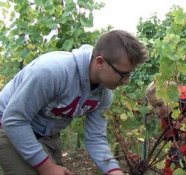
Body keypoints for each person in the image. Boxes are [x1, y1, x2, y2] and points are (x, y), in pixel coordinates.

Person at [0, 30, 148, 175]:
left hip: (46, 134)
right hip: (9, 127)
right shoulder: (51, 71)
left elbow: (95, 138)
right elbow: (13, 120)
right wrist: (46, 167)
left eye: (130, 74)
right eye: (123, 74)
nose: (127, 81)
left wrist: (113, 170)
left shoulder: (103, 94)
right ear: (100, 62)